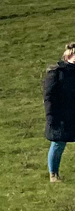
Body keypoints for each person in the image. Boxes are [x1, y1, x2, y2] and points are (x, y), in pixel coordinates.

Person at [45, 43, 75, 182]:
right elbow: (49, 96)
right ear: (69, 56)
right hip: (61, 114)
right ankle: (53, 174)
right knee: (58, 143)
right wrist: (51, 116)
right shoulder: (56, 73)